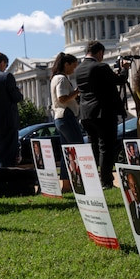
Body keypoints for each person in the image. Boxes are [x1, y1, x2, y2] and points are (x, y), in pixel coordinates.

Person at [74, 40, 129, 189]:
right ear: (99, 53)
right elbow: (120, 80)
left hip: (86, 114)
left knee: (94, 147)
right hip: (102, 113)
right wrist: (124, 69)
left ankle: (100, 177)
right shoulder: (101, 66)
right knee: (106, 147)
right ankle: (106, 181)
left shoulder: (78, 69)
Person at [50, 52, 82, 191]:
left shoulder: (54, 78)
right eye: (73, 66)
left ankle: (66, 184)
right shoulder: (62, 79)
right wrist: (76, 92)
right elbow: (62, 98)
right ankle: (81, 181)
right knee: (78, 148)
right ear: (66, 64)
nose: (73, 70)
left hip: (59, 116)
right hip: (66, 115)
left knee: (66, 152)